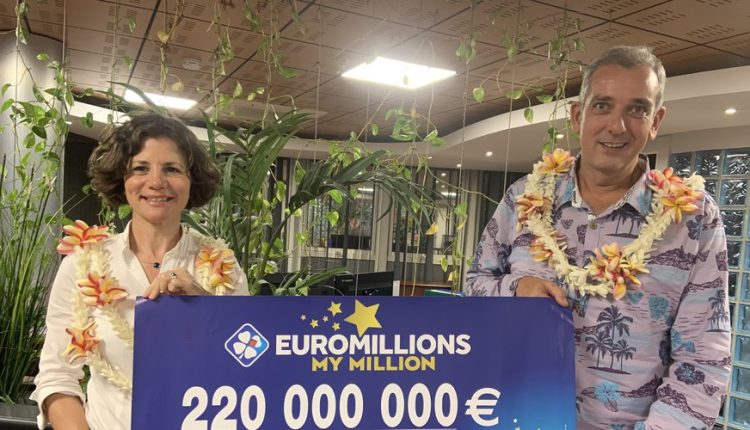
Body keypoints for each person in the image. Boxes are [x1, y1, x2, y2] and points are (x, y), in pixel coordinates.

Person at [465, 45, 730, 429]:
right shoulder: (523, 197)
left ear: (656, 121)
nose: (617, 126)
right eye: (603, 105)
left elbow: (704, 359)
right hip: (514, 415)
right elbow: (474, 285)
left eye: (637, 109)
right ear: (578, 116)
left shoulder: (693, 219)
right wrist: (516, 288)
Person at [31, 113, 248, 429]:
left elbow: (245, 367)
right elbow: (57, 376)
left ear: (192, 181)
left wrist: (204, 306)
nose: (156, 182)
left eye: (171, 169)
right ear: (122, 179)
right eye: (140, 168)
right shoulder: (83, 265)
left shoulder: (223, 269)